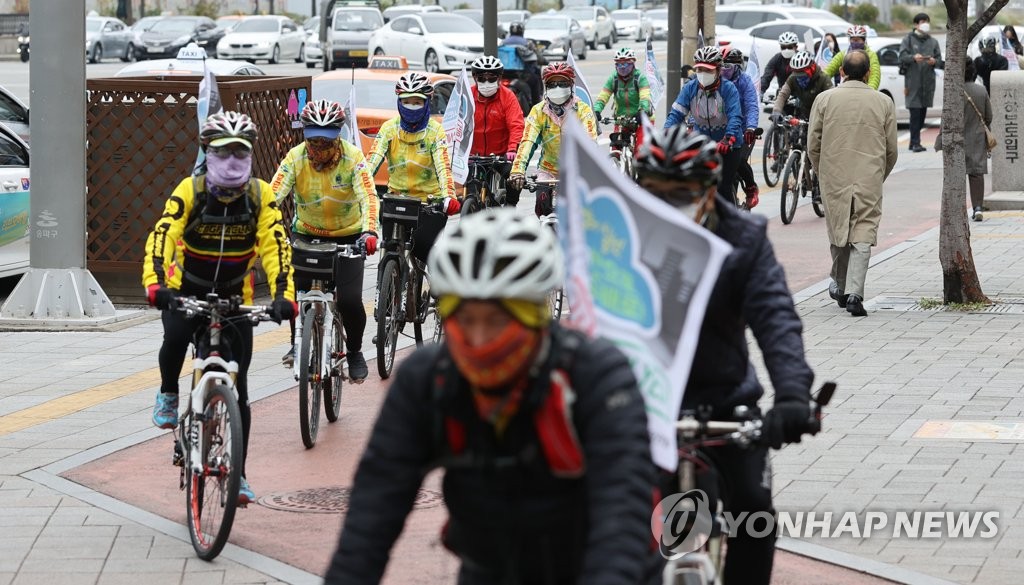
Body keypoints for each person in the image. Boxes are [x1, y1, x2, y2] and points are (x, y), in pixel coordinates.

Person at [323, 209, 662, 585]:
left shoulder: (594, 376)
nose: (480, 340)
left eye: (498, 321)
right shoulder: (428, 380)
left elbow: (622, 512)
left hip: (598, 567)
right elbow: (373, 511)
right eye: (466, 320)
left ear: (536, 316)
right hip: (490, 569)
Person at [632, 125, 816, 585]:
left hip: (726, 403)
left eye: (684, 194)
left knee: (755, 514)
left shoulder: (744, 237)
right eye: (657, 194)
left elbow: (775, 317)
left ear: (711, 193)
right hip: (642, 404)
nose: (670, 205)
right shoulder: (619, 239)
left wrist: (793, 395)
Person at [142, 111, 296, 504]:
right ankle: (168, 394)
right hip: (186, 289)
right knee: (175, 337)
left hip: (234, 297)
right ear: (207, 154)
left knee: (239, 390)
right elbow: (163, 235)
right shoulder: (189, 191)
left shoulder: (261, 196)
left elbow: (275, 246)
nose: (231, 162)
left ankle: (239, 475)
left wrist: (284, 297)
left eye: (239, 153)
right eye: (222, 152)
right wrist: (157, 286)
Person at [271, 99, 378, 380]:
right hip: (306, 236)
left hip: (349, 238)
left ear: (338, 137)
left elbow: (368, 195)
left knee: (351, 301)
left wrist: (370, 231)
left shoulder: (353, 158)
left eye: (326, 141)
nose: (318, 148)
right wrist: (261, 228)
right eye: (313, 140)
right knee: (297, 294)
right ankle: (298, 345)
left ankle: (354, 351)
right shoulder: (295, 157)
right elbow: (274, 194)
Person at [808, 51, 898, 317]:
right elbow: (892, 149)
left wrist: (821, 171)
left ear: (842, 72)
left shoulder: (824, 99)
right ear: (869, 73)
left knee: (839, 229)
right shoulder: (883, 102)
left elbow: (813, 144)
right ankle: (854, 292)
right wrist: (878, 174)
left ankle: (840, 283)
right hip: (869, 176)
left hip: (833, 174)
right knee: (863, 232)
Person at [368, 72, 460, 261]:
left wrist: (449, 196)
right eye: (406, 101)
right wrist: (358, 187)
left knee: (421, 251)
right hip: (396, 200)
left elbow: (443, 167)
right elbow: (372, 161)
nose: (412, 107)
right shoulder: (388, 128)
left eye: (417, 102)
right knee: (389, 249)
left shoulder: (435, 131)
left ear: (427, 102)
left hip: (429, 203)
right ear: (398, 102)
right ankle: (383, 286)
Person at [508, 62, 598, 215]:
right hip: (547, 171)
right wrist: (517, 171)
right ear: (546, 87)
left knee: (580, 214)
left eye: (562, 83)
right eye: (552, 84)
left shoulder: (583, 110)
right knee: (542, 208)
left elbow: (590, 143)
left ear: (571, 86)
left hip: (575, 170)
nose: (557, 88)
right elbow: (527, 142)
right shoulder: (538, 111)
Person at [665, 46, 745, 205]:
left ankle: (729, 224)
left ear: (718, 70)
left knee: (723, 186)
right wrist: (665, 137)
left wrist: (728, 138)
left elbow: (735, 116)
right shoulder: (689, 88)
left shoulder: (728, 89)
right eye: (699, 69)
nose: (703, 74)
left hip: (728, 144)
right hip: (702, 142)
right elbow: (676, 114)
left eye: (708, 70)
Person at [937, 59, 992, 222]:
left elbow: (945, 118)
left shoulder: (953, 92)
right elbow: (989, 116)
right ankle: (978, 207)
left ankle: (957, 210)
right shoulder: (981, 91)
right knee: (976, 174)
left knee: (957, 175)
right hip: (976, 139)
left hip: (957, 139)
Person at [468, 55, 525, 206]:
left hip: (502, 154)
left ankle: (511, 206)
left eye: (491, 79)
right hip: (474, 156)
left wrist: (512, 148)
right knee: (470, 191)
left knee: (515, 177)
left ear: (499, 79)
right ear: (475, 78)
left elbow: (516, 124)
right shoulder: (467, 95)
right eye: (482, 78)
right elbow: (457, 123)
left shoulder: (508, 97)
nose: (487, 83)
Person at [721, 46, 761, 208]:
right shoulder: (716, 79)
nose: (726, 71)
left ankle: (751, 188)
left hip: (742, 131)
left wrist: (750, 128)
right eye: (723, 67)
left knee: (738, 160)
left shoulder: (745, 81)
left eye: (730, 68)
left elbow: (751, 105)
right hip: (720, 129)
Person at [899, 13, 943, 153]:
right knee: (915, 113)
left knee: (922, 112)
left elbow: (940, 60)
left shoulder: (933, 41)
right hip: (913, 82)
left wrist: (934, 61)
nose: (925, 24)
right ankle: (916, 142)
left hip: (928, 82)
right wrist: (913, 57)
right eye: (923, 21)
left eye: (927, 21)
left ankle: (913, 142)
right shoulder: (908, 39)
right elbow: (902, 56)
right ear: (916, 24)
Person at [593, 47, 653, 141]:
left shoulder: (640, 78)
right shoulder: (613, 78)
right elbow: (603, 97)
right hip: (622, 120)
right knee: (616, 145)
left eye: (625, 64)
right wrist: (596, 111)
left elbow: (645, 97)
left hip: (641, 118)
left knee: (641, 149)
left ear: (633, 64)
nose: (622, 67)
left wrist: (643, 111)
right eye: (619, 64)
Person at [771, 51, 833, 124]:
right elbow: (783, 94)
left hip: (819, 115)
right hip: (802, 113)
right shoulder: (792, 78)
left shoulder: (823, 79)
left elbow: (832, 100)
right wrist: (776, 110)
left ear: (812, 69)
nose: (800, 80)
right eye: (798, 77)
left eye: (803, 77)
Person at [823, 25, 880, 90]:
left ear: (864, 41)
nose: (855, 42)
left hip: (864, 91)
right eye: (853, 40)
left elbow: (875, 76)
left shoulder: (871, 55)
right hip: (845, 91)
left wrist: (870, 91)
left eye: (858, 40)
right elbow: (829, 70)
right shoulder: (843, 54)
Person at [500, 21, 543, 104]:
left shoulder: (503, 42)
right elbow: (538, 57)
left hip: (503, 73)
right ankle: (536, 105)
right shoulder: (527, 43)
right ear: (522, 31)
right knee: (535, 81)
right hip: (521, 74)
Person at [760, 31, 799, 99]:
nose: (786, 50)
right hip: (782, 93)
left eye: (789, 47)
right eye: (783, 47)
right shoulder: (777, 59)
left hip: (800, 93)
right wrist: (760, 91)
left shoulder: (802, 58)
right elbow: (767, 76)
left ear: (796, 47)